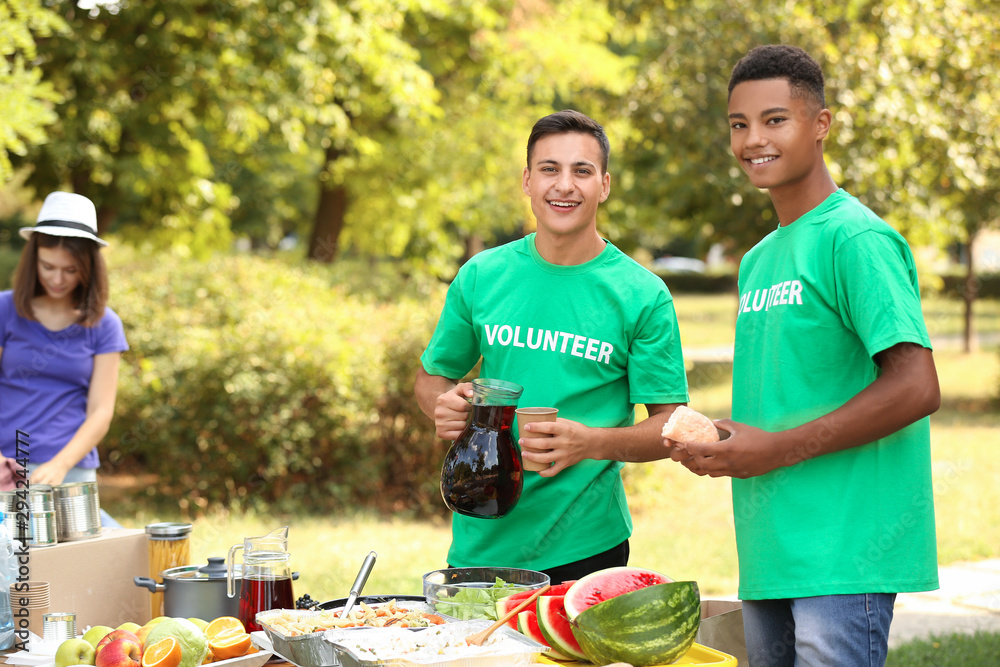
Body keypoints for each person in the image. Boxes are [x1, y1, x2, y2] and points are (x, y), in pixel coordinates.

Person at [665, 45, 940, 666]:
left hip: (845, 551)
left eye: (774, 120)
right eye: (739, 125)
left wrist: (778, 448)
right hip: (771, 550)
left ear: (821, 125)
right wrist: (730, 439)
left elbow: (917, 386)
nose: (752, 140)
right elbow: (788, 395)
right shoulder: (759, 259)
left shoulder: (856, 238)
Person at [415, 110, 689, 582]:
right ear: (527, 180)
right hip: (478, 538)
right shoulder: (482, 276)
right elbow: (431, 377)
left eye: (581, 171)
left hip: (586, 547)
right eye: (549, 169)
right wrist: (443, 402)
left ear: (604, 185)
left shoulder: (641, 295)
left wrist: (592, 442)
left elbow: (673, 427)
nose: (565, 185)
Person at [0, 192, 128, 526]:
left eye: (70, 270)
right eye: (48, 267)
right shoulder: (4, 311)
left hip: (70, 471)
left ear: (89, 267)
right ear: (33, 260)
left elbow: (101, 410)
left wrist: (60, 464)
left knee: (90, 567)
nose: (57, 279)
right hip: (5, 468)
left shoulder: (104, 324)